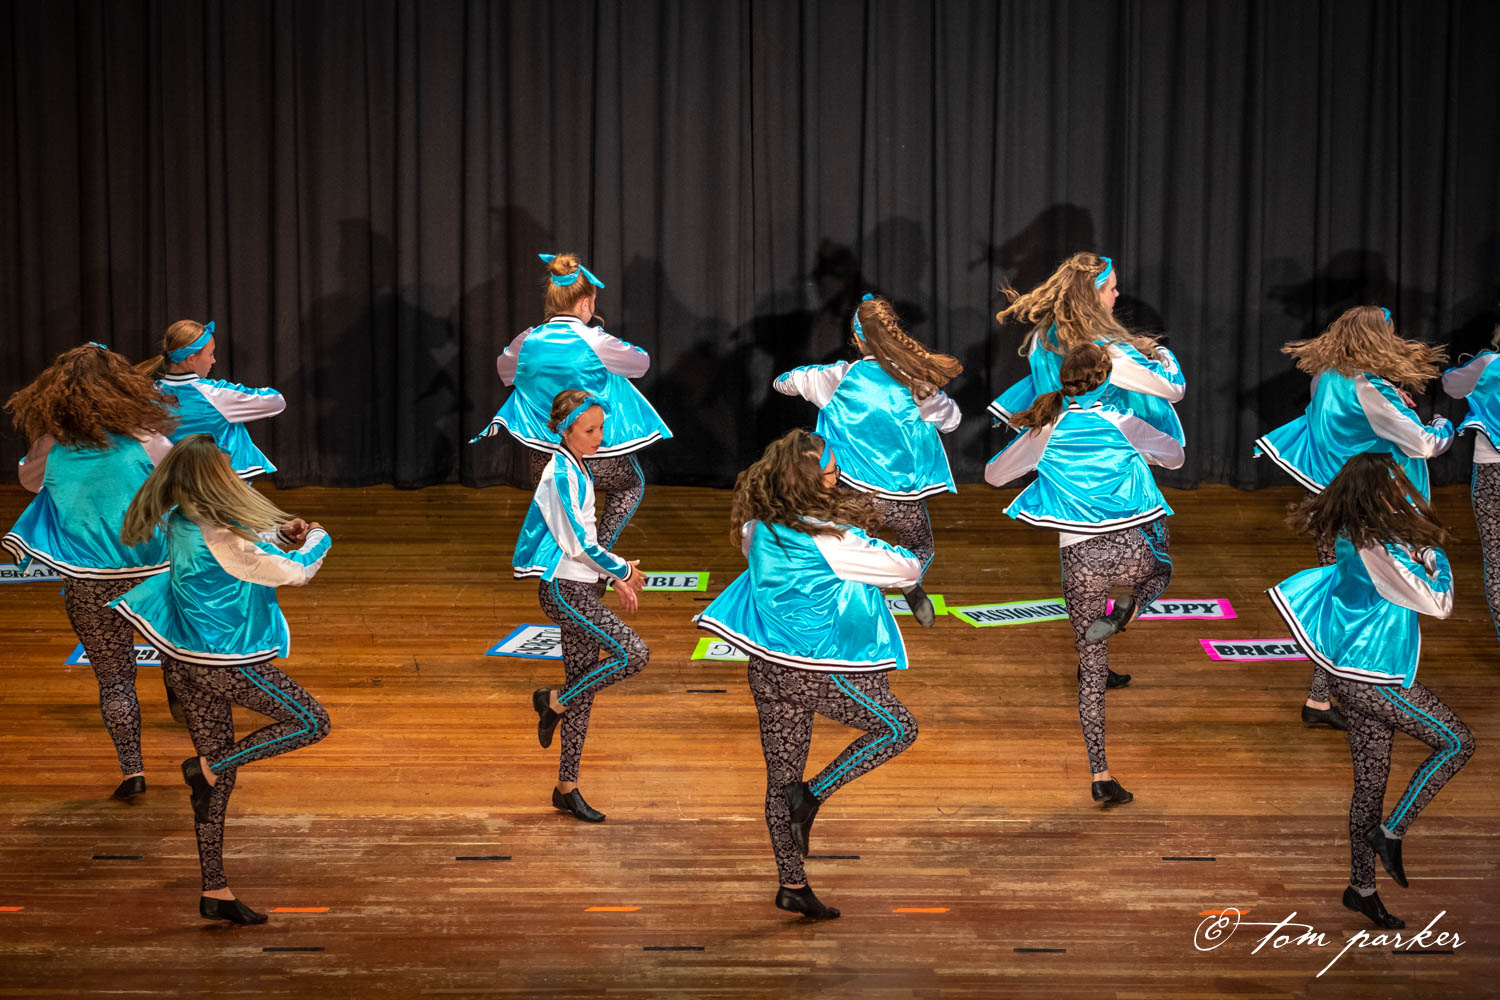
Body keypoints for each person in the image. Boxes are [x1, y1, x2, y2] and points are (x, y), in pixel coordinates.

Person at [696, 429, 921, 920]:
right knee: (898, 728)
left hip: (767, 667)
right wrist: (892, 546)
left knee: (781, 776)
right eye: (831, 472)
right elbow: (906, 570)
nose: (839, 477)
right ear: (806, 480)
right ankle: (814, 796)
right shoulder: (830, 539)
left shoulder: (757, 525)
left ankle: (792, 885)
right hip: (812, 667)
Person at [112, 434, 332, 924]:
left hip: (184, 658)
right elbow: (294, 572)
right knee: (311, 723)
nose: (235, 476)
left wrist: (279, 533)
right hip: (223, 662)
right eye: (228, 470)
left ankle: (216, 890)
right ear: (213, 480)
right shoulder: (220, 535)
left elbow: (242, 550)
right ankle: (206, 767)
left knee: (216, 787)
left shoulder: (182, 518)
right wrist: (317, 537)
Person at [1268, 453, 1474, 930]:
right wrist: (1436, 557)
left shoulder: (1352, 533)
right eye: (1397, 483)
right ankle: (1391, 833)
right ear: (1379, 492)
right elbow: (1439, 603)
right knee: (1458, 743)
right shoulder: (1378, 547)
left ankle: (1360, 889)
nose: (1404, 489)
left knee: (1369, 785)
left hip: (1348, 674)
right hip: (1374, 679)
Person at [984, 344, 1184, 805]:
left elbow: (994, 475)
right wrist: (1140, 457)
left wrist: (1045, 467)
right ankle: (1129, 609)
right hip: (1132, 548)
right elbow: (1175, 457)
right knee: (1161, 571)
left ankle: (1100, 774)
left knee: (1091, 671)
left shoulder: (1047, 428)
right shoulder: (1123, 421)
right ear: (1107, 379)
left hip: (1079, 559)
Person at [1255, 306, 1452, 728]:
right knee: (1358, 602)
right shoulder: (1368, 387)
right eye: (1390, 332)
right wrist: (1441, 424)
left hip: (1334, 498)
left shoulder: (1325, 377)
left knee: (1344, 595)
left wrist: (1394, 401)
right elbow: (1423, 444)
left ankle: (1321, 699)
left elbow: (1346, 424)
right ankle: (1361, 691)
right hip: (1370, 505)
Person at [2, 343, 176, 799]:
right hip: (154, 572)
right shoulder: (147, 437)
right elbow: (178, 483)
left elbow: (30, 481)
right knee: (181, 661)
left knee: (114, 678)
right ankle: (206, 759)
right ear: (122, 386)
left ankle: (132, 772)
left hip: (88, 581)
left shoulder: (52, 444)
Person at [773, 294, 961, 626]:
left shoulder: (837, 377)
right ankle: (907, 581)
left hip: (852, 496)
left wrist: (806, 376)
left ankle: (867, 601)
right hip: (903, 500)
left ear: (857, 339)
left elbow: (783, 383)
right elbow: (952, 421)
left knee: (854, 554)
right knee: (921, 546)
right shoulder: (917, 383)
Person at [473, 253, 671, 560]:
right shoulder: (595, 341)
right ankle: (600, 554)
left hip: (543, 454)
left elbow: (505, 372)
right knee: (631, 485)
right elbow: (641, 364)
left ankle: (566, 559)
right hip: (593, 454)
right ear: (586, 303)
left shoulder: (526, 341)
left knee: (562, 506)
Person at [515, 389, 648, 823]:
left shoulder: (578, 465)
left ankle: (566, 788)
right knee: (634, 654)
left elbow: (587, 544)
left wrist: (612, 577)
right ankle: (552, 700)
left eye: (601, 428)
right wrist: (622, 570)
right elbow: (578, 544)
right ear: (564, 430)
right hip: (563, 591)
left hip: (583, 587)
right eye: (589, 430)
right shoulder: (560, 473)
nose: (599, 437)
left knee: (584, 689)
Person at [989, 252, 1186, 442]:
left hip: (1053, 444)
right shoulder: (1102, 348)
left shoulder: (1043, 336)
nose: (1117, 294)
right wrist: (1160, 352)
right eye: (1112, 289)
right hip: (1100, 444)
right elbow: (1173, 388)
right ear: (1093, 295)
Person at [137, 320, 285, 479]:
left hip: (168, 482)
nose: (213, 360)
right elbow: (276, 401)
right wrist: (234, 392)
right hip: (218, 482)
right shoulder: (215, 393)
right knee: (231, 427)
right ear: (191, 359)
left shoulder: (148, 396)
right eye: (210, 354)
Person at [1440, 324, 1500, 641]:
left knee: (1496, 559)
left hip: (1492, 468)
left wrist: (1474, 363)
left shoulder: (1488, 363)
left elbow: (1451, 385)